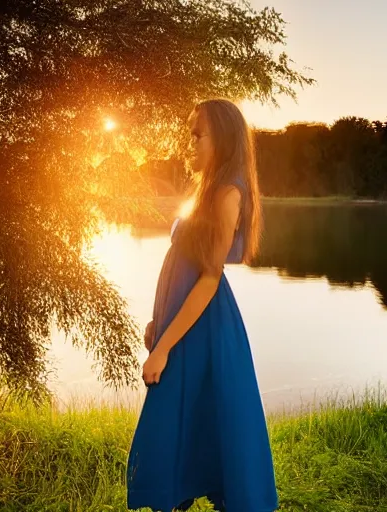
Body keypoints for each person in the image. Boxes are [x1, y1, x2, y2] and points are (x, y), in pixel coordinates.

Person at [127, 98, 278, 512]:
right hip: (182, 322)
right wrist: (159, 321)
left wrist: (163, 348)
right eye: (190, 133)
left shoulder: (229, 193)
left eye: (198, 134)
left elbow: (209, 279)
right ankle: (180, 496)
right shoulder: (207, 189)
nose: (189, 142)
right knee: (182, 413)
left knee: (191, 413)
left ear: (224, 139)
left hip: (204, 327)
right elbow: (185, 265)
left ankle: (192, 496)